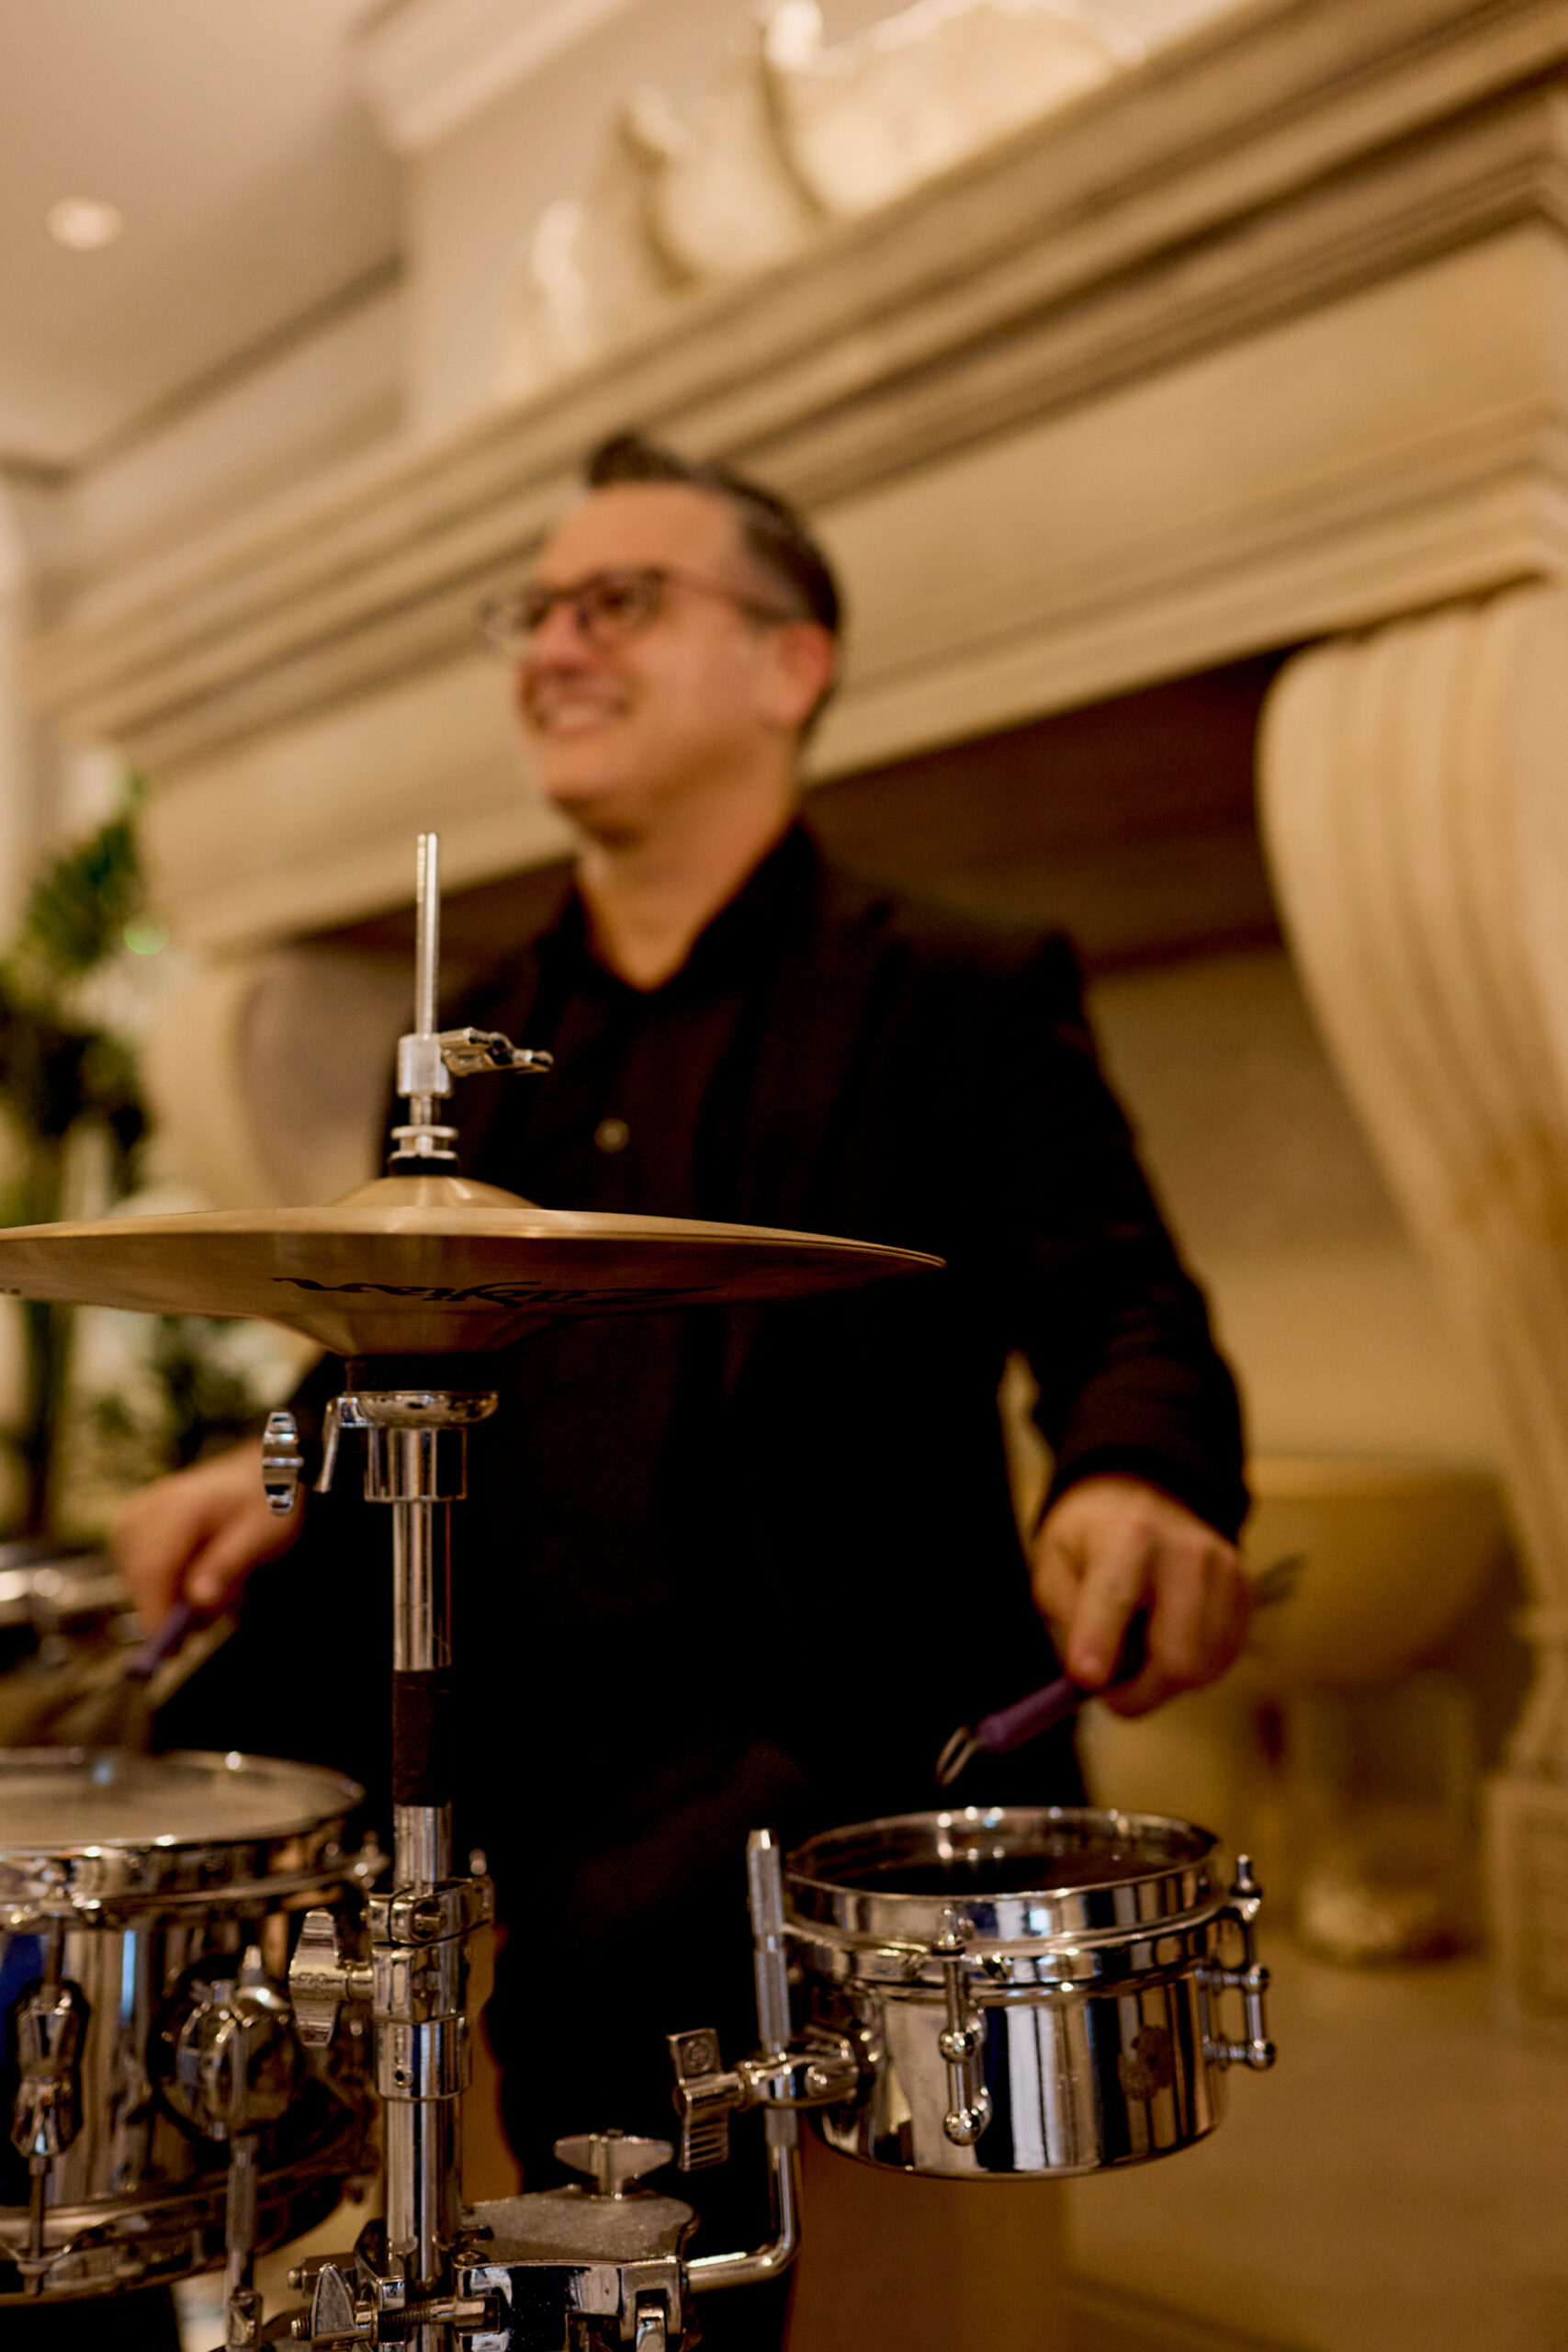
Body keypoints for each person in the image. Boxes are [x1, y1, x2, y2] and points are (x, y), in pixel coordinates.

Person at [118, 432, 1251, 2345]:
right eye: (533, 611)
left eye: (615, 601)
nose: (551, 644)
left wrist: (1131, 1478)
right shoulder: (493, 1024)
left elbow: (1126, 1308)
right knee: (157, 1808)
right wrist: (280, 1458)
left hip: (791, 1693)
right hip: (478, 1667)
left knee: (649, 1902)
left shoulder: (954, 989)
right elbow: (407, 1319)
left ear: (784, 661)